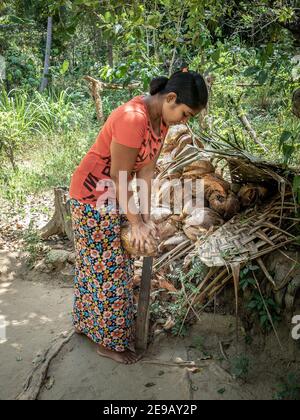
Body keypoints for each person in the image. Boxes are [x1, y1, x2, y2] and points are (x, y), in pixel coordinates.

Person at [69, 68, 209, 364]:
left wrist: (144, 219)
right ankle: (109, 343)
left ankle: (88, 325)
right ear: (171, 98)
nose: (185, 121)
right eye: (185, 114)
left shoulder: (161, 123)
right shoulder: (133, 118)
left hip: (113, 196)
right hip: (92, 196)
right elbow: (121, 180)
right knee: (110, 271)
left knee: (99, 266)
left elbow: (145, 174)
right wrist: (135, 223)